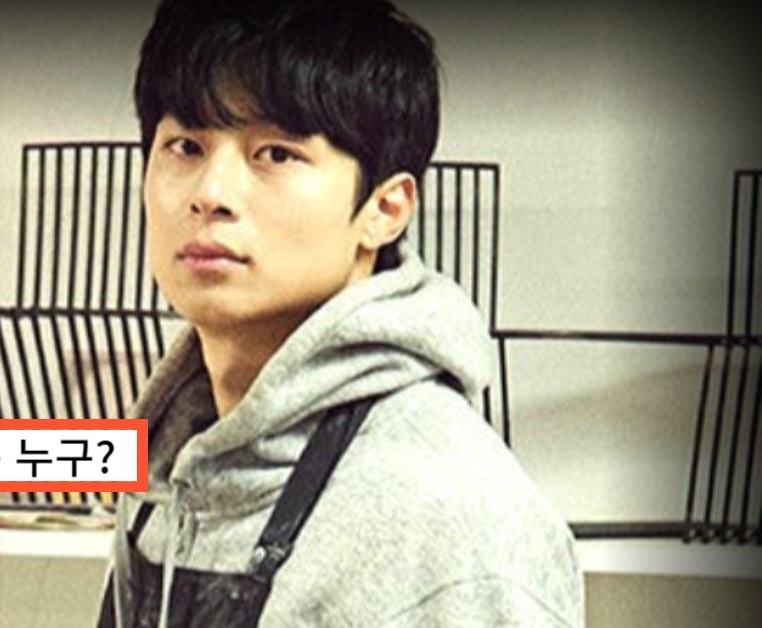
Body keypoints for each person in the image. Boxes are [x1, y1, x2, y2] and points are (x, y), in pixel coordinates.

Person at [97, 0, 584, 625]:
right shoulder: (170, 468)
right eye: (186, 146)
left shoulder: (449, 512)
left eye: (275, 154)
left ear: (385, 209)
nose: (211, 194)